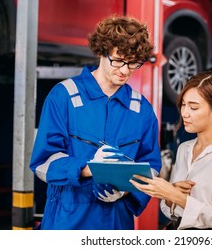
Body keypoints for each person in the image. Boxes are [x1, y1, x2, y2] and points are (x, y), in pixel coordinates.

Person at [30, 15, 162, 230]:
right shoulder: (64, 96)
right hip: (68, 220)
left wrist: (127, 189)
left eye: (134, 63)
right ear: (102, 51)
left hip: (116, 223)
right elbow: (43, 163)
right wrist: (88, 167)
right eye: (119, 61)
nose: (125, 70)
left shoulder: (141, 109)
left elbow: (152, 166)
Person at [130, 70, 212, 230]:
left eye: (193, 107)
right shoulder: (184, 149)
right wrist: (169, 197)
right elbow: (169, 212)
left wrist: (177, 196)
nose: (184, 113)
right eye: (183, 105)